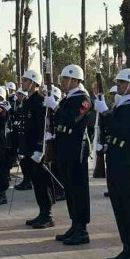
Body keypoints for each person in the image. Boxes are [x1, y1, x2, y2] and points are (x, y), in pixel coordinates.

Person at [96, 69, 130, 259]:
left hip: (129, 162)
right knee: (119, 205)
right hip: (116, 159)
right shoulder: (121, 105)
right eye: (118, 82)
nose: (118, 85)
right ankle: (126, 247)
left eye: (123, 82)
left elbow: (120, 129)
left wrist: (105, 112)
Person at [49, 65, 93, 246]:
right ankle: (74, 224)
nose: (63, 82)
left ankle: (82, 229)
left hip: (76, 150)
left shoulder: (83, 99)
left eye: (66, 79)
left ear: (75, 80)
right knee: (69, 188)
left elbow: (71, 118)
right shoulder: (69, 98)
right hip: (65, 148)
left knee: (78, 188)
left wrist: (56, 108)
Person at [19, 69, 50, 228]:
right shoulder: (28, 100)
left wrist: (40, 148)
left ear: (33, 83)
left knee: (41, 182)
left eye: (25, 80)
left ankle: (47, 215)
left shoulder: (39, 101)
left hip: (37, 149)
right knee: (36, 183)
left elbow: (42, 127)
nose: (22, 82)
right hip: (29, 148)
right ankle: (42, 212)